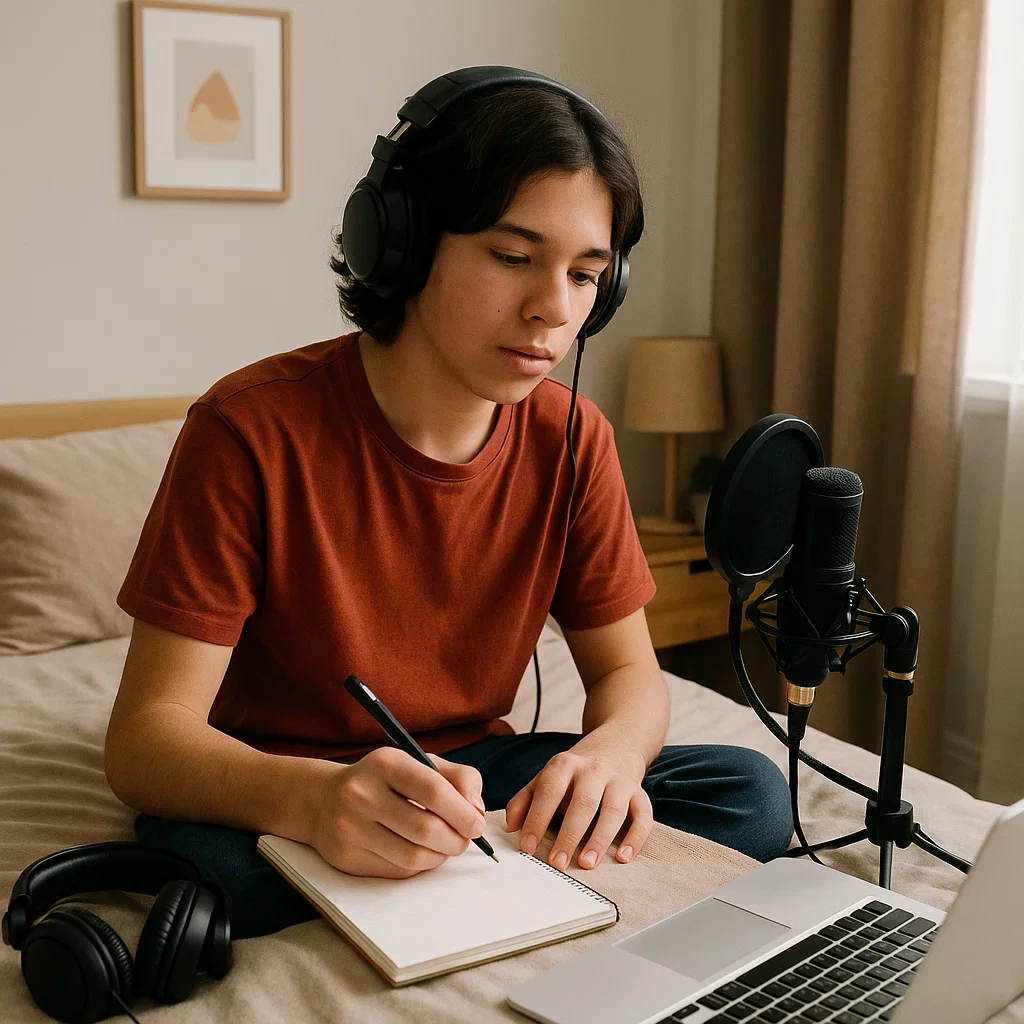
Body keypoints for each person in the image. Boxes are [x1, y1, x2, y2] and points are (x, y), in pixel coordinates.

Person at [104, 69, 793, 940]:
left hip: (472, 775)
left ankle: (444, 871)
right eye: (513, 258)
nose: (553, 310)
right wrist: (316, 801)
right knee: (217, 872)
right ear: (403, 240)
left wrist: (610, 757)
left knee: (750, 793)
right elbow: (146, 740)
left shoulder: (574, 437)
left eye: (587, 275)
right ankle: (457, 873)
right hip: (283, 778)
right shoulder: (246, 429)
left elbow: (629, 677)